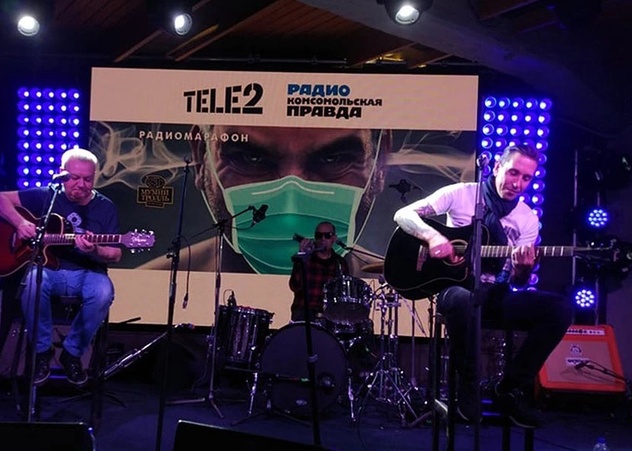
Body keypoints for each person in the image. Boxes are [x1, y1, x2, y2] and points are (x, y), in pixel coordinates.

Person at [393, 144, 571, 428]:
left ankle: (508, 389)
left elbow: (518, 281)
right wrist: (432, 237)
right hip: (456, 289)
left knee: (559, 308)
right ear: (497, 167)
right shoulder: (462, 194)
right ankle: (468, 391)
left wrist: (523, 269)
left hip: (497, 294)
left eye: (526, 178)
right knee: (463, 300)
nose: (518, 183)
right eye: (513, 173)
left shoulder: (527, 218)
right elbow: (403, 215)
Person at [141, 125, 390, 274]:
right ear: (201, 159)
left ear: (380, 163)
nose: (291, 208)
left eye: (334, 159)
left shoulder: (396, 290)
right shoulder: (150, 288)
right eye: (251, 159)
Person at [0, 148, 122, 386]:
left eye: (87, 179)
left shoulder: (106, 207)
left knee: (103, 292)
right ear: (61, 174)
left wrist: (94, 249)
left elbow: (115, 254)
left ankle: (72, 354)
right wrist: (20, 223)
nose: (81, 184)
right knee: (32, 284)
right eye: (75, 178)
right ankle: (42, 351)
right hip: (49, 270)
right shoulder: (46, 197)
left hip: (87, 273)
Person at [289, 221, 350, 322]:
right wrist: (302, 255)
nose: (323, 239)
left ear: (334, 238)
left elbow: (343, 294)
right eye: (319, 235)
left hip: (329, 316)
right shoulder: (305, 259)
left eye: (327, 235)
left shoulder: (340, 263)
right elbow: (294, 286)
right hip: (304, 313)